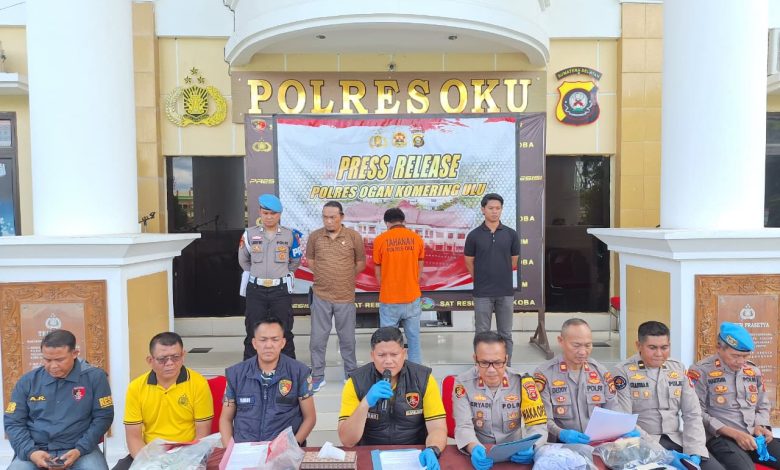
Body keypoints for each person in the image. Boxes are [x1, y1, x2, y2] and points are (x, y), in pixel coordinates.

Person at [611, 321, 724, 470]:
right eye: (652, 348)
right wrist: (662, 453)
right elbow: (625, 420)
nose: (659, 354)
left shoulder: (677, 368)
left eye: (664, 348)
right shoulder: (623, 371)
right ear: (639, 345)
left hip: (676, 440)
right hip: (641, 444)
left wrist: (695, 450)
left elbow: (692, 413)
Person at [338, 327, 447, 470]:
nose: (388, 361)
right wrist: (365, 403)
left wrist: (433, 449)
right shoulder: (356, 382)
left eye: (394, 354)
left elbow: (437, 428)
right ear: (372, 355)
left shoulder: (423, 379)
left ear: (404, 353)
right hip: (370, 456)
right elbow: (347, 441)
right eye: (381, 355)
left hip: (415, 457)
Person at [4, 330, 113, 470]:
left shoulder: (95, 378)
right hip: (36, 449)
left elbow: (103, 417)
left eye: (60, 360)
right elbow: (13, 422)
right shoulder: (28, 381)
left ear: (75, 353)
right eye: (47, 360)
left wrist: (80, 449)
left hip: (80, 450)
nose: (53, 366)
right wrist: (31, 452)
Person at [112, 332, 214, 470]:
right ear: (150, 360)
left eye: (175, 357)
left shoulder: (198, 383)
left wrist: (183, 463)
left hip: (188, 453)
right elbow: (133, 436)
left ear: (183, 355)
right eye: (162, 359)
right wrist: (152, 464)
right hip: (150, 453)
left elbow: (202, 434)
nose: (170, 363)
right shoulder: (136, 387)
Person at [689, 322, 780, 469]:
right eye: (736, 356)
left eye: (745, 356)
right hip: (721, 437)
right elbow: (696, 412)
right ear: (719, 348)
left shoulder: (753, 371)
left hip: (753, 435)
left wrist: (761, 426)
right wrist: (735, 434)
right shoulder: (701, 371)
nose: (741, 362)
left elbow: (762, 405)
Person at [453, 331, 548, 469]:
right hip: (481, 450)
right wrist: (473, 447)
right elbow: (463, 425)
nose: (491, 370)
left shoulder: (523, 382)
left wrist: (532, 446)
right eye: (484, 362)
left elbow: (537, 424)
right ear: (475, 359)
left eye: (498, 363)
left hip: (516, 454)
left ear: (506, 359)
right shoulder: (462, 383)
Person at [220, 316, 316, 446]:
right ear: (254, 343)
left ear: (283, 343)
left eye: (275, 339)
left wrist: (293, 445)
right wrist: (229, 450)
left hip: (284, 451)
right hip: (245, 450)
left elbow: (310, 418)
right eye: (263, 340)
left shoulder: (299, 372)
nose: (269, 345)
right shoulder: (236, 374)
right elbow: (225, 419)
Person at [306, 200, 366, 392]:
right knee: (317, 339)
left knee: (347, 339)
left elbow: (361, 263)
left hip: (345, 297)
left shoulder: (353, 236)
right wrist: (324, 274)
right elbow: (310, 260)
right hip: (321, 295)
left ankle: (350, 375)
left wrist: (345, 276)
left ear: (342, 216)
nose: (328, 221)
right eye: (325, 217)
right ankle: (317, 376)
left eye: (332, 217)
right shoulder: (315, 236)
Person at [533, 318, 620, 445]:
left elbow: (613, 411)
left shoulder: (600, 372)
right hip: (560, 447)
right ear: (561, 341)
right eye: (576, 345)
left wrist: (622, 429)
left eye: (588, 345)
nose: (583, 352)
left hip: (597, 445)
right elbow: (541, 420)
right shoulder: (544, 374)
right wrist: (560, 433)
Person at [238, 193, 303, 360]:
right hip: (256, 289)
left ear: (279, 214)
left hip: (280, 290)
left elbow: (295, 261)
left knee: (284, 331)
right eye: (265, 213)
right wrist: (258, 273)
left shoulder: (290, 235)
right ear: (260, 212)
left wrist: (279, 274)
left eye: (273, 213)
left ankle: (288, 369)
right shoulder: (249, 234)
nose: (268, 217)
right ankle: (250, 369)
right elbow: (243, 260)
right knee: (252, 331)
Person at [464, 193, 520, 364]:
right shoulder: (474, 235)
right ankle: (482, 365)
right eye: (491, 208)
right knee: (482, 333)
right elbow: (469, 262)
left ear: (501, 210)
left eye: (498, 208)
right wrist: (481, 278)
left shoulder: (511, 234)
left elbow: (513, 261)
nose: (495, 211)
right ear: (483, 209)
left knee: (506, 334)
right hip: (482, 292)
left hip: (505, 291)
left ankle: (506, 367)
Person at [373, 207, 425, 364]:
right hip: (412, 295)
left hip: (389, 298)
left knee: (388, 341)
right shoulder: (416, 238)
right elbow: (420, 267)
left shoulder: (380, 240)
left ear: (386, 223)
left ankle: (389, 371)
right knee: (414, 338)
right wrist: (412, 283)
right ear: (404, 221)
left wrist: (386, 286)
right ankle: (416, 372)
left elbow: (378, 270)